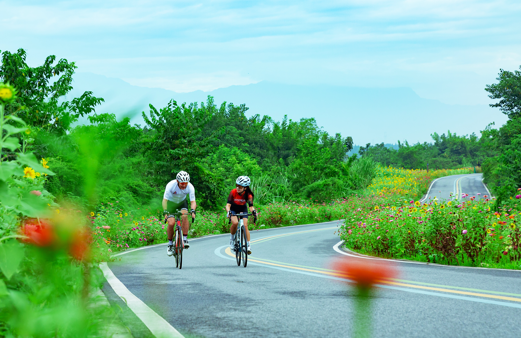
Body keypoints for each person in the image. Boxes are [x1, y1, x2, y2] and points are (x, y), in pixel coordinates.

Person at [163, 171, 196, 256]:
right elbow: (165, 200)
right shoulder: (170, 185)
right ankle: (170, 244)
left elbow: (193, 201)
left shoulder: (190, 187)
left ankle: (184, 239)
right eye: (182, 183)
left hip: (182, 203)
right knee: (171, 223)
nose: (184, 185)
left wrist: (193, 210)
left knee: (185, 216)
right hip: (171, 203)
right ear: (177, 181)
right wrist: (165, 211)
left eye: (185, 183)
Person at [226, 176, 257, 254]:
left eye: (240, 186)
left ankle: (248, 245)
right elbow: (228, 205)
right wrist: (228, 212)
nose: (237, 188)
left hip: (243, 209)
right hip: (233, 209)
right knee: (235, 223)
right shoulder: (233, 192)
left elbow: (250, 207)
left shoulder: (249, 195)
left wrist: (253, 211)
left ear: (245, 188)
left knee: (245, 225)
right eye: (237, 185)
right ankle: (232, 240)